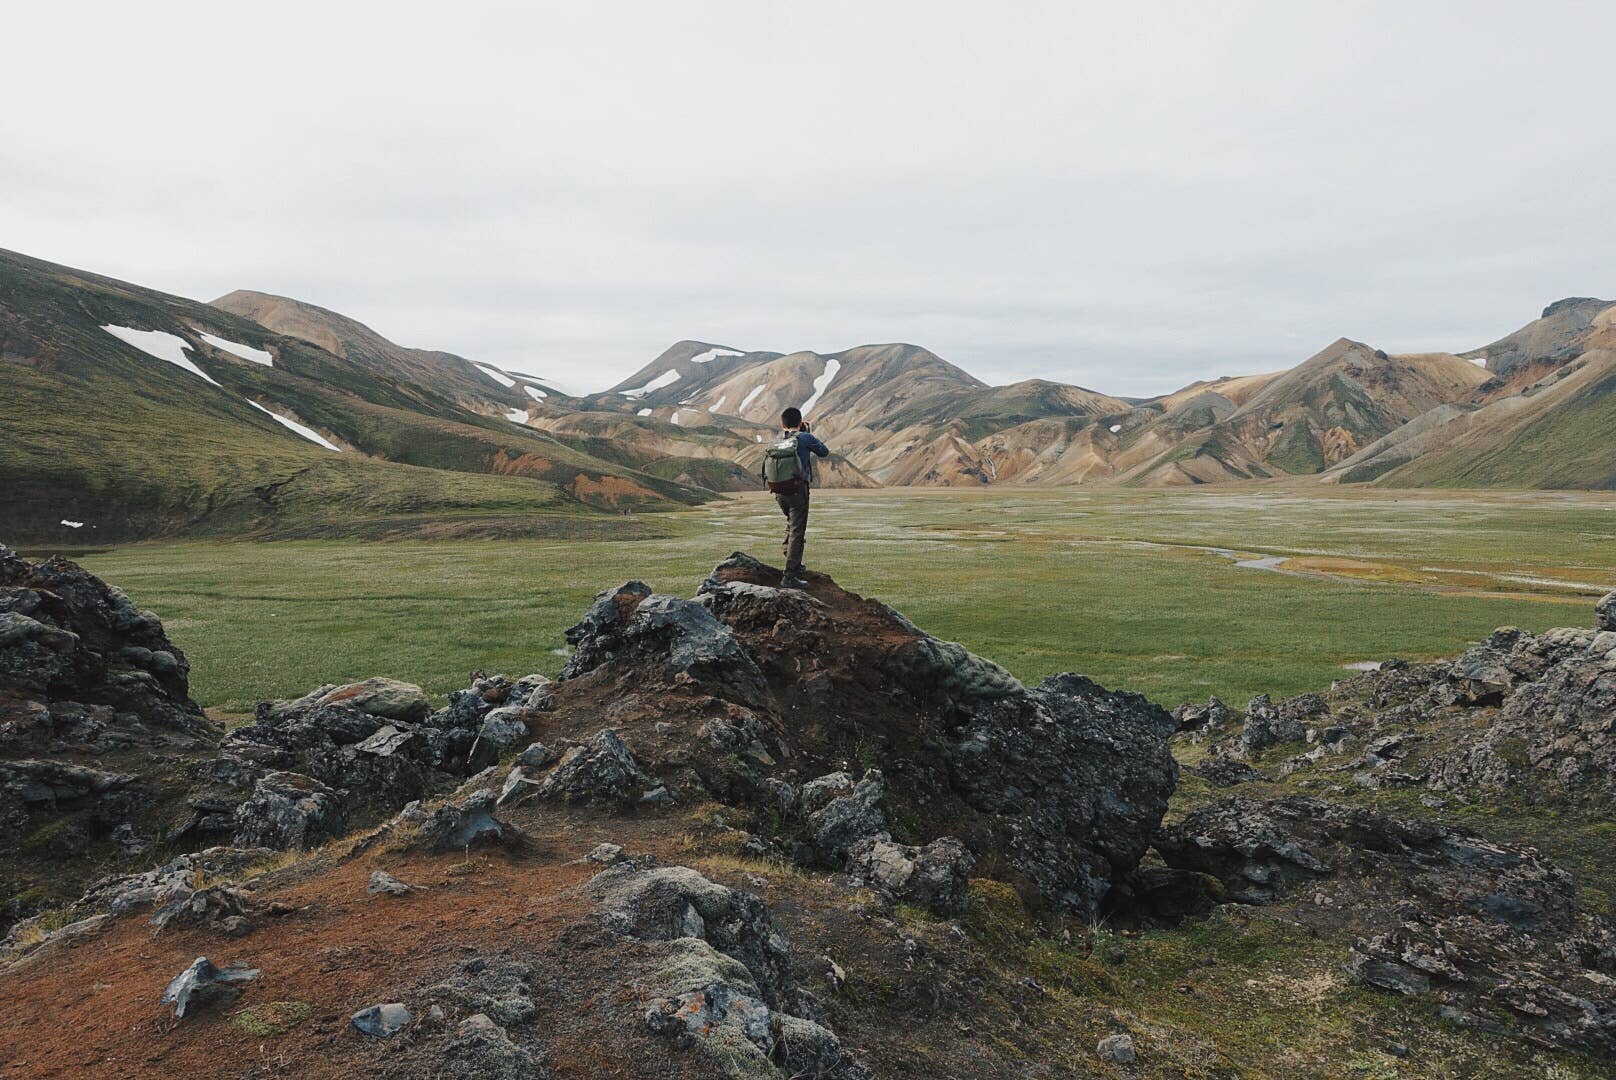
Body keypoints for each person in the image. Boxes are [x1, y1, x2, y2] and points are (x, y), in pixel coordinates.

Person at [765, 406, 829, 589]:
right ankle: (790, 575)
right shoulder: (805, 437)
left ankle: (793, 561)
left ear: (782, 424)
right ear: (801, 422)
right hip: (798, 491)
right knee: (797, 531)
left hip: (778, 491)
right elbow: (824, 452)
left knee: (792, 523)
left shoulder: (777, 441)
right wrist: (808, 433)